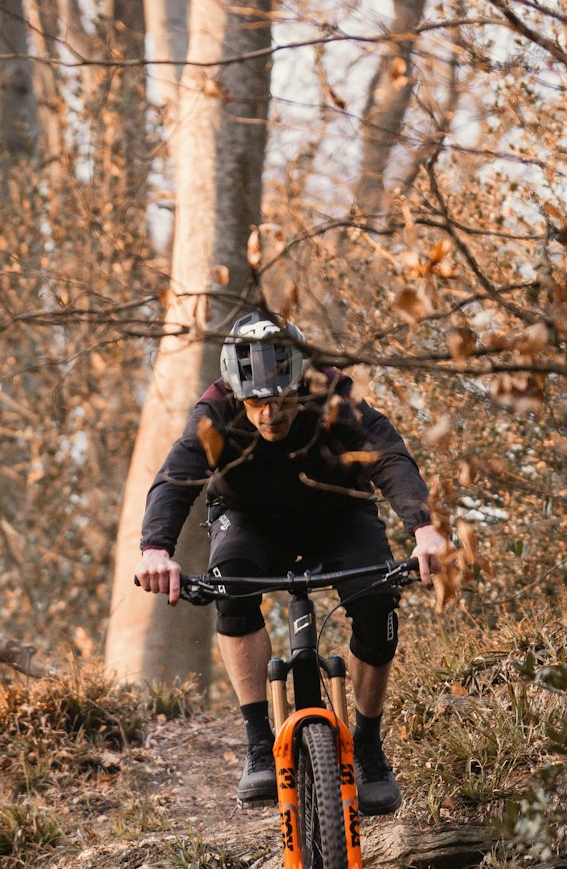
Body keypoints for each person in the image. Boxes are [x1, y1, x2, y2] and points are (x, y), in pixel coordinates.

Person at [135, 312, 447, 813]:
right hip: (248, 520)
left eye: (279, 400)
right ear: (239, 394)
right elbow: (176, 478)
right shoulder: (215, 411)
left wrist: (425, 529)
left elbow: (389, 456)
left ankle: (367, 746)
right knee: (231, 586)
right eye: (256, 402)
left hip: (339, 513)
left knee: (376, 601)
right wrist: (156, 550)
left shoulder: (334, 396)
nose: (269, 414)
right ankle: (260, 743)